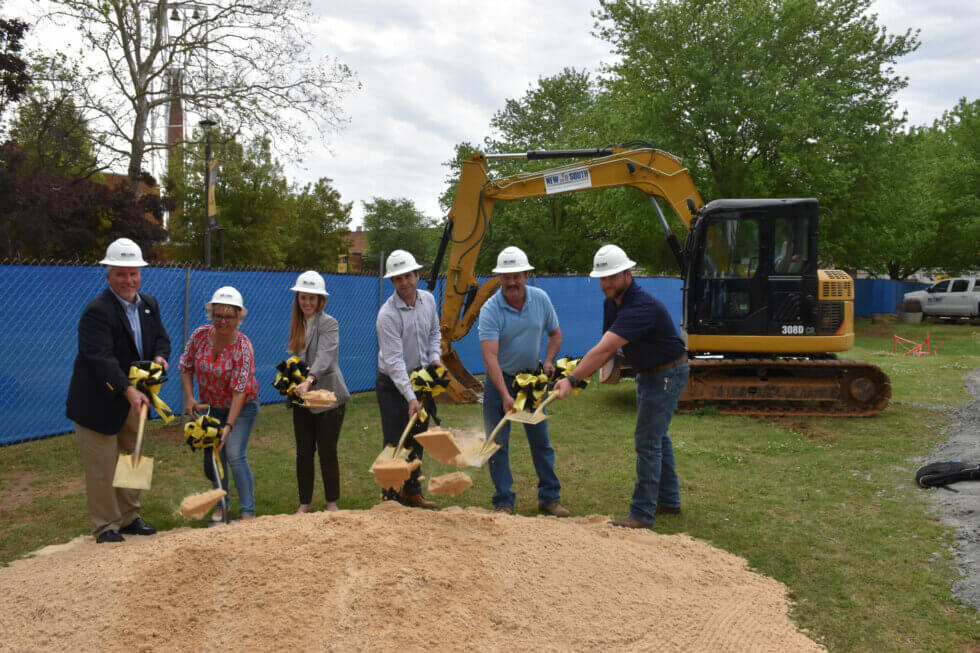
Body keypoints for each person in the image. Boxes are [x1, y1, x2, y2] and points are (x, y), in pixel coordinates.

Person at [554, 245, 689, 529]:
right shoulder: (612, 302)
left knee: (647, 440)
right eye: (602, 278)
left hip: (667, 373)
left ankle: (642, 513)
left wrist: (572, 379)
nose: (606, 284)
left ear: (628, 273)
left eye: (612, 277)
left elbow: (605, 348)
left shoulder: (640, 306)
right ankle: (668, 500)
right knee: (657, 437)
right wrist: (592, 371)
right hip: (649, 372)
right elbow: (609, 345)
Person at [66, 238, 171, 543]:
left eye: (133, 273)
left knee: (133, 457)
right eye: (121, 274)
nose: (128, 280)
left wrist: (160, 357)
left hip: (135, 400)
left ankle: (130, 517)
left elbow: (161, 339)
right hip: (97, 402)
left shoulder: (149, 304)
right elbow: (100, 357)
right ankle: (106, 525)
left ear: (141, 274)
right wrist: (127, 389)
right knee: (102, 467)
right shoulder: (97, 311)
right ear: (109, 275)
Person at [478, 246, 567, 517]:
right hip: (500, 382)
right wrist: (505, 395)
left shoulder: (541, 299)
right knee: (497, 443)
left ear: (526, 276)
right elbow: (490, 357)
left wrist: (548, 361)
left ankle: (550, 498)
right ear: (500, 279)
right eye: (507, 277)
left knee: (541, 442)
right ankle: (503, 501)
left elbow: (555, 334)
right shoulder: (490, 309)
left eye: (517, 276)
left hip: (531, 382)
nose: (512, 282)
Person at [180, 286, 260, 521]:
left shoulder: (243, 347)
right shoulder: (199, 336)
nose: (223, 321)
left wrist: (229, 426)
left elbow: (239, 392)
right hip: (212, 406)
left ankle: (248, 513)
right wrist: (190, 397)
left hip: (242, 406)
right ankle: (221, 506)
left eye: (229, 316)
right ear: (211, 314)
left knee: (234, 454)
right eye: (218, 315)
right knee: (216, 455)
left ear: (238, 317)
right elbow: (185, 366)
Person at [375, 250, 441, 508]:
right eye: (398, 278)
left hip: (421, 378)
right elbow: (394, 362)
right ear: (393, 281)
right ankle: (391, 498)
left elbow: (434, 333)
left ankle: (412, 492)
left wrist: (434, 359)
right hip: (392, 384)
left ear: (417, 275)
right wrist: (410, 397)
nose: (404, 282)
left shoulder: (429, 300)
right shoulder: (387, 314)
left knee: (418, 438)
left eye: (408, 276)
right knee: (396, 441)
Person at [286, 271, 351, 513]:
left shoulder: (329, 323)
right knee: (304, 452)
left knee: (327, 450)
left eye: (312, 298)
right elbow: (297, 359)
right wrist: (290, 378)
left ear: (321, 300)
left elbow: (326, 357)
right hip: (303, 398)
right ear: (298, 299)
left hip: (327, 397)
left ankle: (332, 503)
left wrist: (309, 380)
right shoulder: (298, 324)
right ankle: (304, 504)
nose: (307, 302)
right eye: (303, 297)